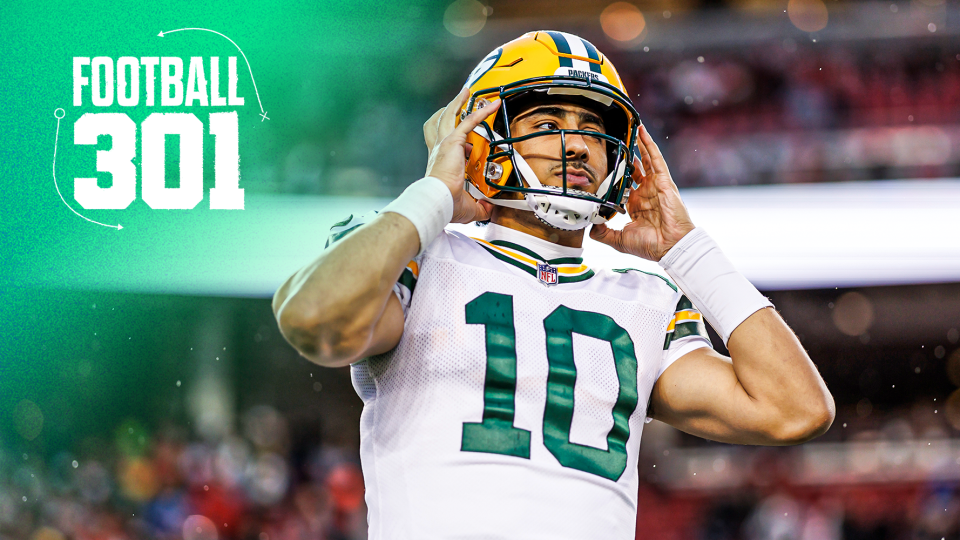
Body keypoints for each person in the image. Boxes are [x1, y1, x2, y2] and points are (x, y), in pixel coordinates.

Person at [273, 31, 834, 540]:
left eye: (594, 129)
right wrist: (435, 195)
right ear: (477, 138)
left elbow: (795, 411)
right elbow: (315, 319)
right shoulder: (417, 251)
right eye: (547, 124)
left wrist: (684, 249)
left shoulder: (647, 296)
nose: (578, 146)